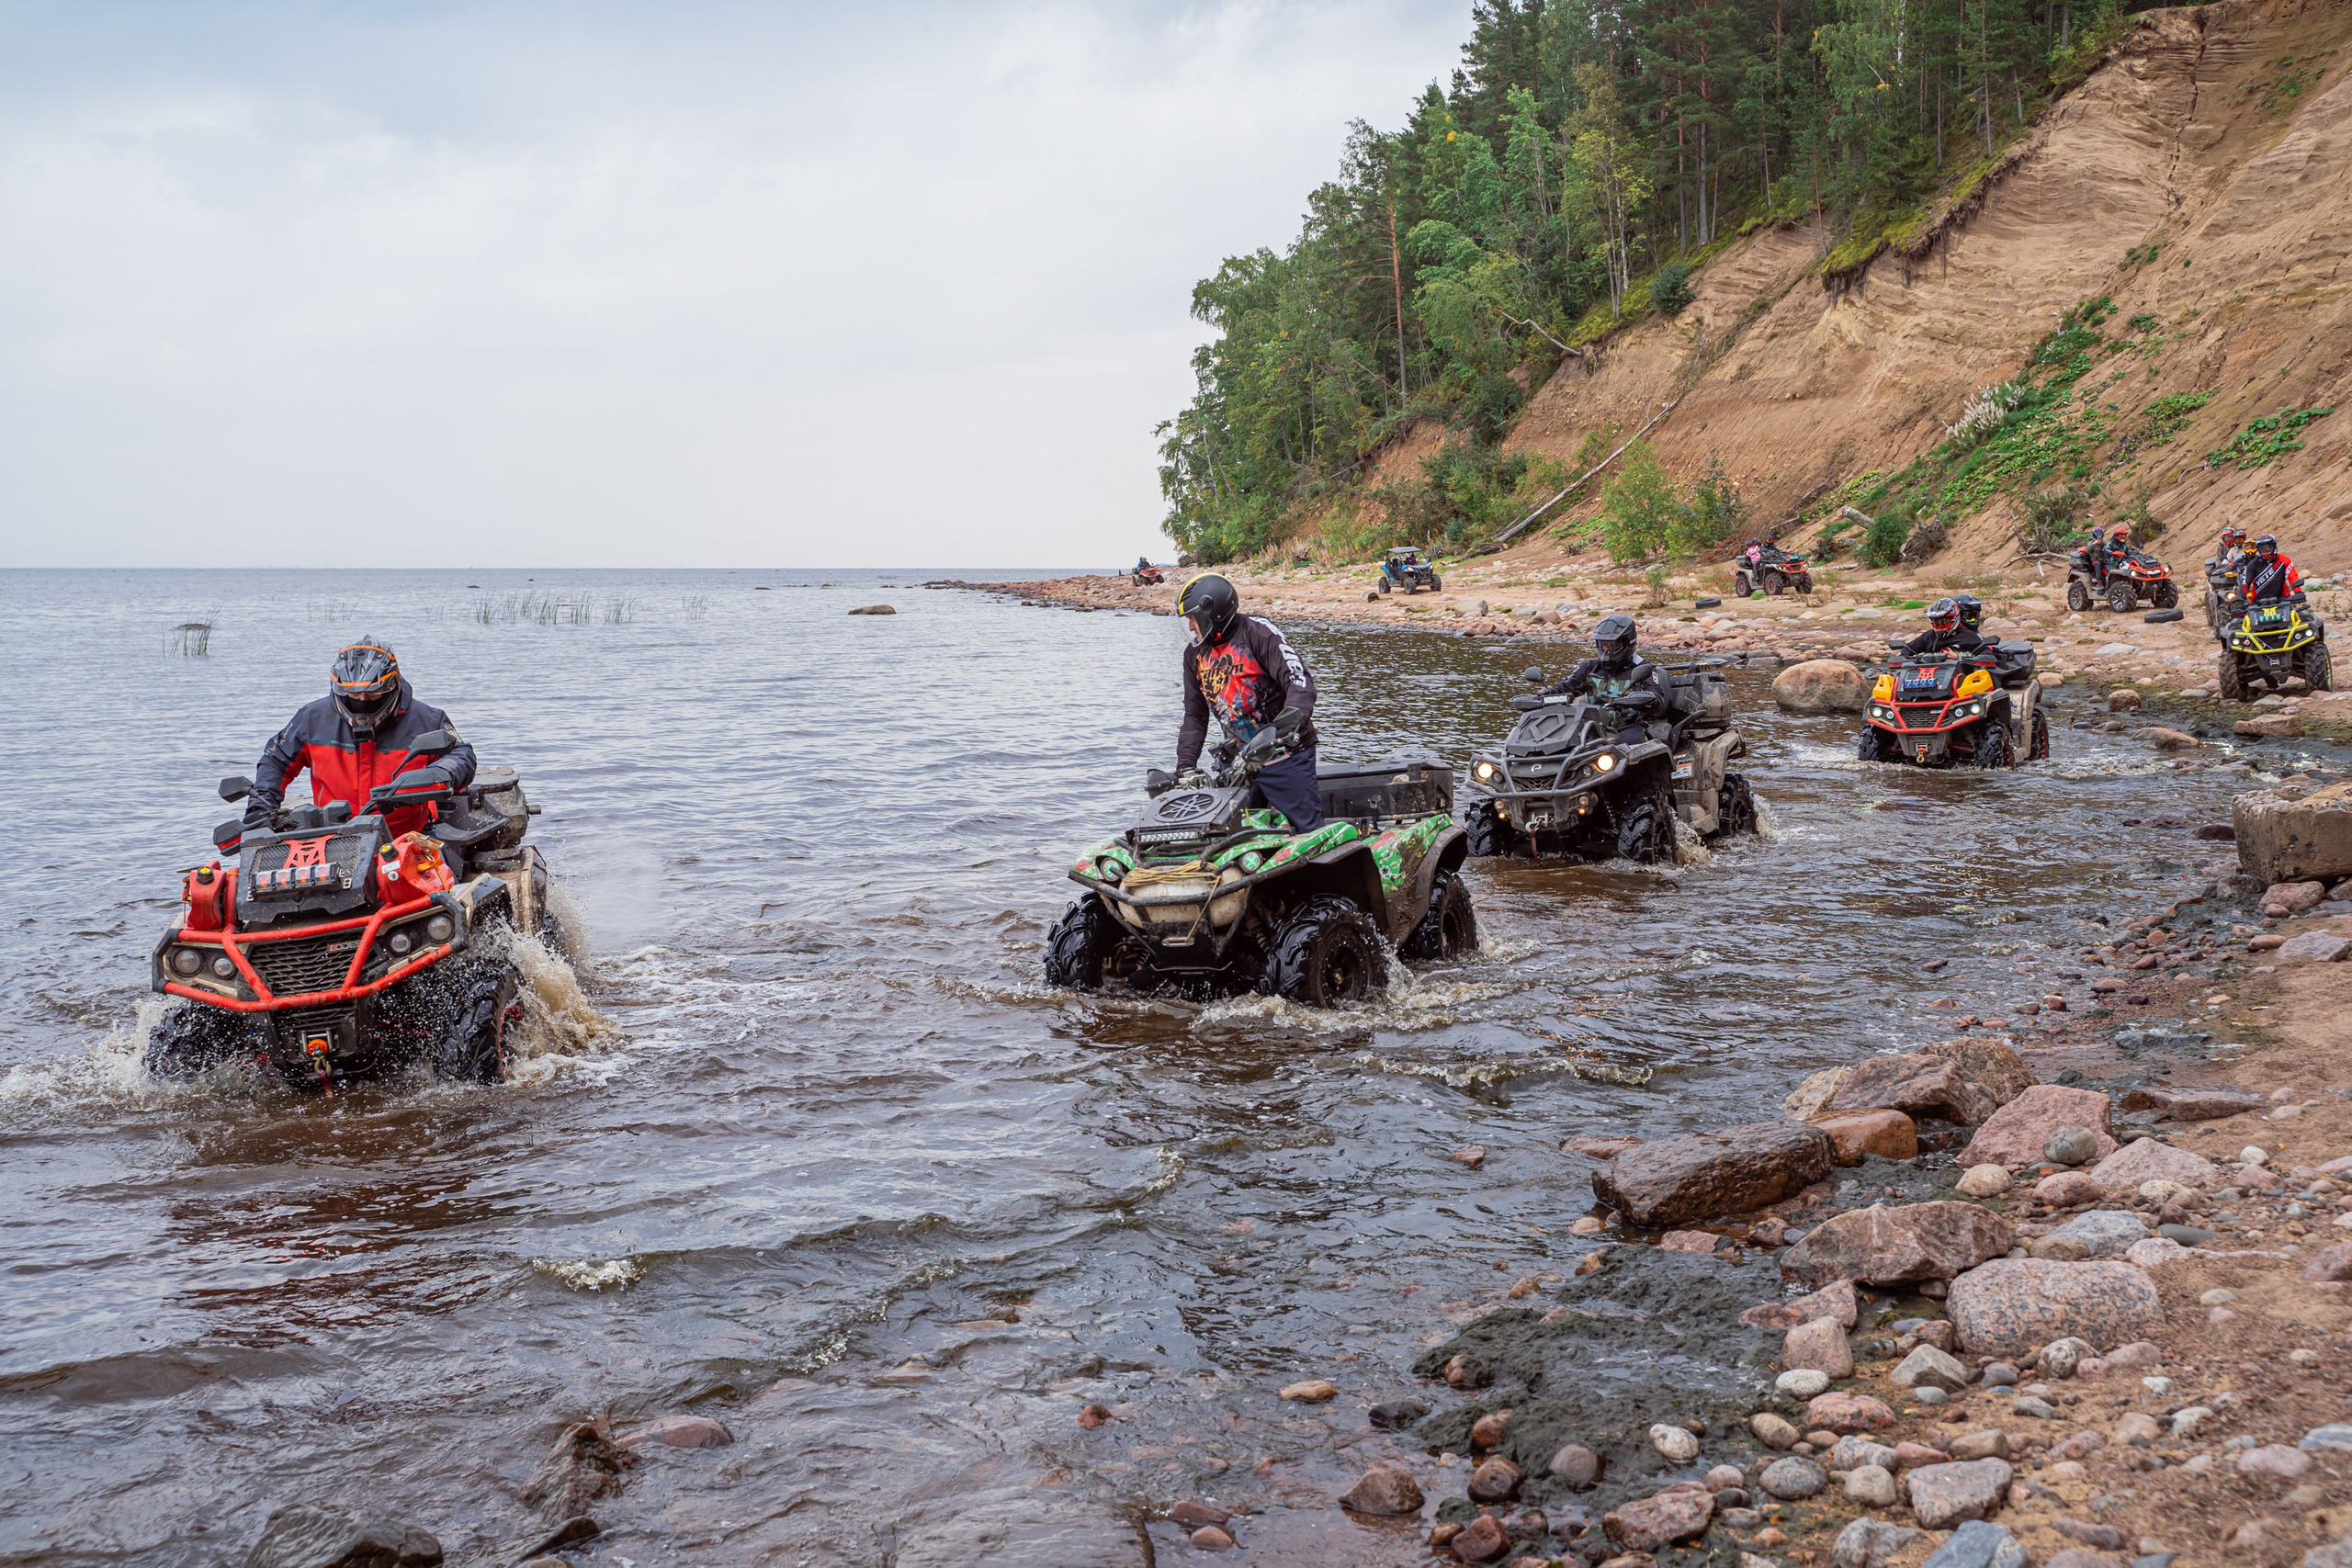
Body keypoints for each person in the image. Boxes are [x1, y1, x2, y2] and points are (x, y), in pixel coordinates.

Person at [247, 637, 476, 839]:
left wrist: (442, 771)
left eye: (373, 693)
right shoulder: (312, 719)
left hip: (408, 839)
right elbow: (276, 759)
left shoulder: (428, 719)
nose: (362, 699)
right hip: (333, 838)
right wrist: (261, 806)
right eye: (353, 694)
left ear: (391, 685)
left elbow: (462, 755)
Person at [1172, 574, 1323, 832]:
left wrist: (1281, 732)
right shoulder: (1194, 654)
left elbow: (1299, 682)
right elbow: (1195, 716)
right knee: (1233, 834)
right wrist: (1185, 767)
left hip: (1286, 756)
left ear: (1214, 612)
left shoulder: (1258, 632)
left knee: (1306, 830)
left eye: (1194, 619)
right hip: (1238, 764)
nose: (1192, 626)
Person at [1543, 615, 1668, 738]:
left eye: (1615, 646)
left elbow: (1657, 699)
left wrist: (1639, 699)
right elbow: (1566, 687)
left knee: (1634, 743)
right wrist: (1544, 695)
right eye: (1605, 645)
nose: (1608, 651)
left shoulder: (1644, 669)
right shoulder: (1590, 667)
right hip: (1591, 727)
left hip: (1629, 728)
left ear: (1629, 644)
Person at [1899, 597, 1988, 657]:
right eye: (1937, 622)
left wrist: (1959, 656)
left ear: (1955, 618)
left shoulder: (1968, 636)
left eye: (1944, 621)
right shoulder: (1928, 636)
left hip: (1962, 678)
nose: (1940, 626)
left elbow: (1986, 655)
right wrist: (1904, 658)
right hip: (1928, 677)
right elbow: (1908, 649)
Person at [2238, 534, 2303, 604]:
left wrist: (2298, 592)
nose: (2265, 551)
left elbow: (2293, 577)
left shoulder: (2284, 560)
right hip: (2257, 603)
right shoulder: (2252, 564)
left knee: (2303, 614)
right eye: (2262, 548)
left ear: (2274, 546)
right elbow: (2244, 584)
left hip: (2283, 600)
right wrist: (2239, 601)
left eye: (2267, 547)